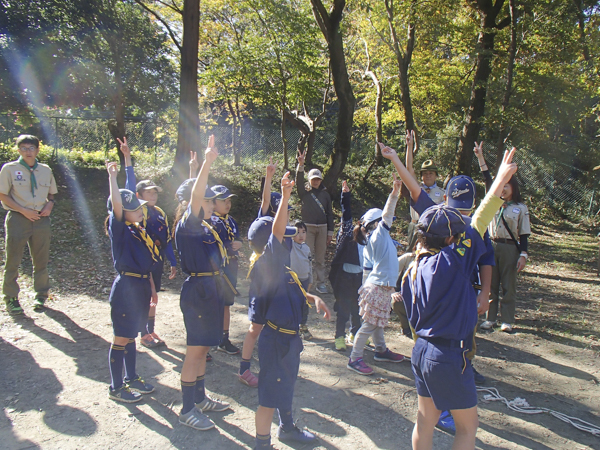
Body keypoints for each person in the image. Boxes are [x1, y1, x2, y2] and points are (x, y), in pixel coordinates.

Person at [386, 140, 518, 449]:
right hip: (449, 355)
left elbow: (424, 197)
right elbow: (482, 218)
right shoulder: (452, 262)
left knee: (424, 422)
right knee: (467, 429)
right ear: (450, 239)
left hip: (421, 352)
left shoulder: (413, 268)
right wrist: (499, 179)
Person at [248, 171, 331, 449]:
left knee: (285, 387)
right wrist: (283, 197)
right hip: (277, 341)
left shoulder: (280, 269)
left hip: (289, 339)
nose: (290, 238)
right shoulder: (268, 263)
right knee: (269, 397)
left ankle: (287, 428)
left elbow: (293, 287)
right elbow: (276, 232)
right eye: (286, 236)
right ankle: (262, 443)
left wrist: (312, 298)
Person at [174, 136, 232, 431]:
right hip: (198, 292)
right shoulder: (189, 223)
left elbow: (195, 194)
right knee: (195, 350)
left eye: (212, 200)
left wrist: (198, 166)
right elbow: (195, 197)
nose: (211, 204)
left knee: (204, 349)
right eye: (207, 200)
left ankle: (199, 398)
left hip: (210, 289)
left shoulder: (206, 225)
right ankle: (186, 409)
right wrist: (207, 163)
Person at [105, 161, 159, 403]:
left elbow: (146, 264)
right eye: (135, 208)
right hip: (126, 289)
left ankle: (132, 377)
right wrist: (112, 177)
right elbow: (117, 205)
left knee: (132, 336)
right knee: (121, 337)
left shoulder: (137, 229)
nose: (140, 210)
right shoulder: (119, 229)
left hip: (140, 286)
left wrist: (151, 289)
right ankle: (116, 387)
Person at [118, 137, 177, 348]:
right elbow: (129, 186)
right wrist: (128, 159)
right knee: (144, 296)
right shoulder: (138, 210)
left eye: (155, 192)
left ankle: (149, 331)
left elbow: (166, 239)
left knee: (153, 298)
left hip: (157, 261)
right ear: (139, 195)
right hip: (141, 262)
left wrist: (172, 261)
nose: (153, 195)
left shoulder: (160, 213)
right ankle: (142, 333)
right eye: (148, 192)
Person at [238, 158, 291, 387]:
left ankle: (270, 365)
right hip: (262, 295)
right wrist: (286, 197)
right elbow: (276, 228)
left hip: (270, 292)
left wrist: (268, 178)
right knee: (255, 329)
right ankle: (244, 369)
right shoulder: (269, 250)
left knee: (268, 328)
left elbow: (266, 201)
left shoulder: (258, 229)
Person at [347, 174, 406, 376]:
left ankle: (381, 351)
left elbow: (370, 269)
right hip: (379, 287)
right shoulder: (379, 234)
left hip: (379, 286)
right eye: (382, 221)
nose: (389, 222)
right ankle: (354, 358)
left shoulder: (378, 238)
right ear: (376, 223)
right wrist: (394, 193)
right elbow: (388, 214)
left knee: (378, 321)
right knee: (370, 324)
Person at [474, 142, 531, 333]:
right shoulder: (495, 203)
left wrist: (523, 254)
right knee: (491, 283)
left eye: (508, 186)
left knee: (509, 285)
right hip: (492, 245)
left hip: (510, 248)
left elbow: (524, 235)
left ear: (514, 188)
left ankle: (507, 320)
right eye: (503, 185)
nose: (504, 189)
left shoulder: (520, 208)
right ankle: (490, 318)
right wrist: (481, 157)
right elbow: (490, 181)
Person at [0, 135, 57, 314]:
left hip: (41, 220)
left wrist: (50, 204)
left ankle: (41, 294)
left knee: (41, 259)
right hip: (19, 218)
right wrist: (24, 211)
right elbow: (3, 194)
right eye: (23, 148)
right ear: (18, 150)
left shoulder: (45, 170)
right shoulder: (10, 169)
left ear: (38, 150)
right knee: (13, 259)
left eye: (31, 148)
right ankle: (10, 297)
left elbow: (52, 194)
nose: (28, 151)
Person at [328, 181, 363, 351]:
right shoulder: (347, 233)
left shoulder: (369, 239)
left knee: (357, 309)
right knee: (343, 310)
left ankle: (355, 333)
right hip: (344, 279)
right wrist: (345, 195)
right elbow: (346, 213)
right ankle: (339, 336)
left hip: (359, 279)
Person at [295, 149, 334, 294]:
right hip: (308, 228)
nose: (316, 181)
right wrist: (301, 165)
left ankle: (321, 282)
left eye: (318, 179)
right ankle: (306, 281)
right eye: (313, 179)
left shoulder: (325, 195)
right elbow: (298, 183)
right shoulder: (304, 194)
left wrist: (330, 232)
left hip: (322, 228)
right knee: (307, 255)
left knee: (320, 258)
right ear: (309, 180)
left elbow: (330, 214)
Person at [211, 184, 242, 354]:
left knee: (226, 304)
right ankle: (208, 339)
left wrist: (240, 243)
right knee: (211, 303)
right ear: (213, 202)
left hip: (231, 266)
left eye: (229, 200)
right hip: (216, 268)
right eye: (223, 200)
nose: (227, 203)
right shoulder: (210, 221)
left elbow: (236, 237)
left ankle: (224, 338)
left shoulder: (231, 220)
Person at [404, 130, 445, 252]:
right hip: (415, 225)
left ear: (436, 175)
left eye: (431, 173)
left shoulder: (442, 193)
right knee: (411, 255)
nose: (428, 176)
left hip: (431, 229)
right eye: (425, 173)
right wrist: (410, 146)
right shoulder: (417, 188)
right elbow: (409, 168)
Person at [290, 221, 314, 340]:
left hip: (305, 279)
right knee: (293, 303)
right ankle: (293, 327)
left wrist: (310, 280)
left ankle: (303, 326)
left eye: (303, 232)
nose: (300, 235)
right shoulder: (290, 246)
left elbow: (310, 264)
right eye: (297, 232)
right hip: (293, 280)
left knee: (304, 304)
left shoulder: (307, 248)